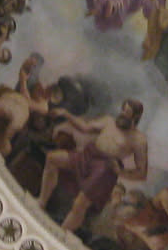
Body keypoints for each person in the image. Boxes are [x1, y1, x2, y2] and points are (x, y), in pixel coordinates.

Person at [36, 99, 149, 233]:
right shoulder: (109, 121)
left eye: (128, 112)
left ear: (136, 117)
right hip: (89, 155)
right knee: (52, 158)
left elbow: (142, 173)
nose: (123, 114)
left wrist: (120, 171)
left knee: (79, 204)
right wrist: (66, 114)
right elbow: (85, 127)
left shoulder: (139, 140)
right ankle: (41, 203)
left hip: (105, 170)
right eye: (123, 110)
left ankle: (62, 232)